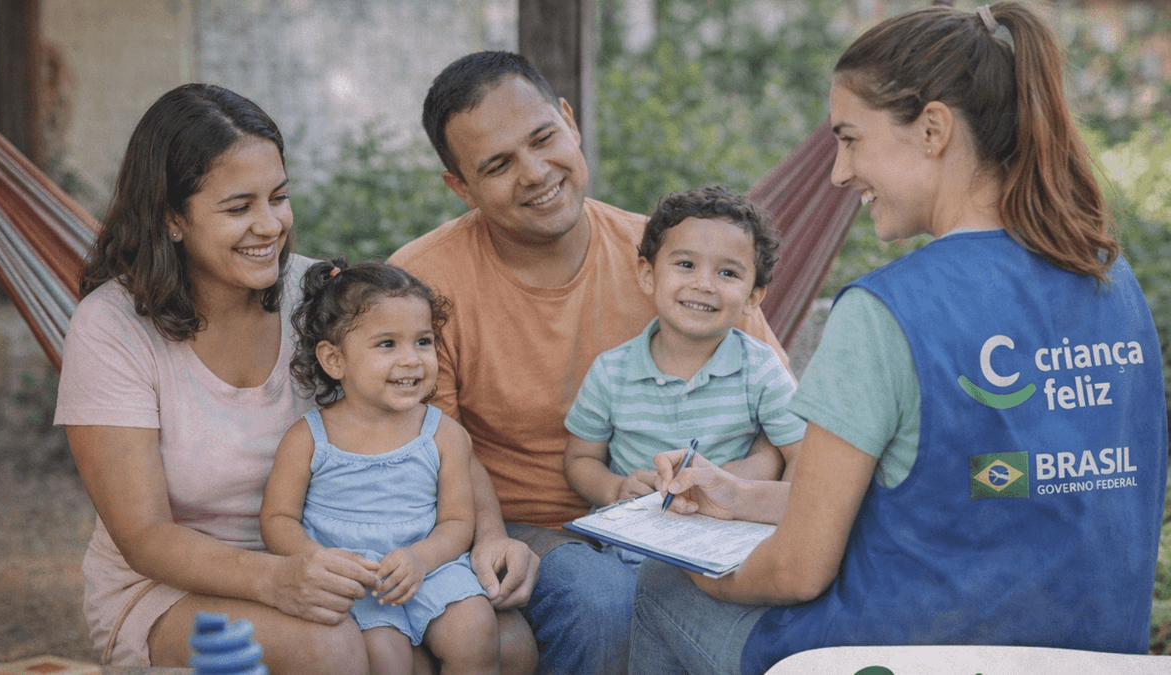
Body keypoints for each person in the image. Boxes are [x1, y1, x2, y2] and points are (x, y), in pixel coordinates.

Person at [629, 4, 1168, 674]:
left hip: (905, 656)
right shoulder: (1111, 280)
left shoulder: (886, 312)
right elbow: (957, 497)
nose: (836, 173)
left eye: (850, 139)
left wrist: (703, 571)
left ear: (933, 130)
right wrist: (740, 497)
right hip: (1095, 656)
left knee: (657, 589)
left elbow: (798, 569)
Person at [54, 83, 535, 675]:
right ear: (173, 218)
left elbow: (428, 430)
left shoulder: (321, 298)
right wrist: (279, 577)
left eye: (278, 198)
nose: (269, 226)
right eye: (238, 208)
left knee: (503, 642)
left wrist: (487, 536)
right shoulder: (112, 329)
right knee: (330, 648)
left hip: (338, 565)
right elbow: (144, 535)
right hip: (173, 588)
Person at [387, 52, 792, 675]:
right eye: (497, 165)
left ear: (570, 122)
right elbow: (433, 449)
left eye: (543, 138)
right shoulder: (423, 285)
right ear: (461, 187)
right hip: (531, 526)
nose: (535, 172)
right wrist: (490, 536)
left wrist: (740, 487)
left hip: (696, 517)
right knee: (605, 600)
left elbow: (782, 413)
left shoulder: (677, 260)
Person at [261, 258, 498, 675]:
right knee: (387, 658)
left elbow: (459, 521)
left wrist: (421, 559)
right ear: (335, 360)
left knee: (475, 630)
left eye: (423, 342)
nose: (411, 360)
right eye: (387, 344)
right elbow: (278, 518)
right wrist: (318, 561)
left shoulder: (442, 434)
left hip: (428, 565)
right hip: (355, 579)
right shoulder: (309, 437)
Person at [563, 185, 805, 513]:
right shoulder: (611, 371)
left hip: (721, 541)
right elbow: (580, 459)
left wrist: (778, 524)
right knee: (570, 565)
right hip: (630, 540)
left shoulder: (761, 370)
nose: (704, 284)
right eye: (686, 265)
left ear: (752, 298)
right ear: (648, 275)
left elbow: (803, 455)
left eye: (727, 272)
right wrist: (614, 487)